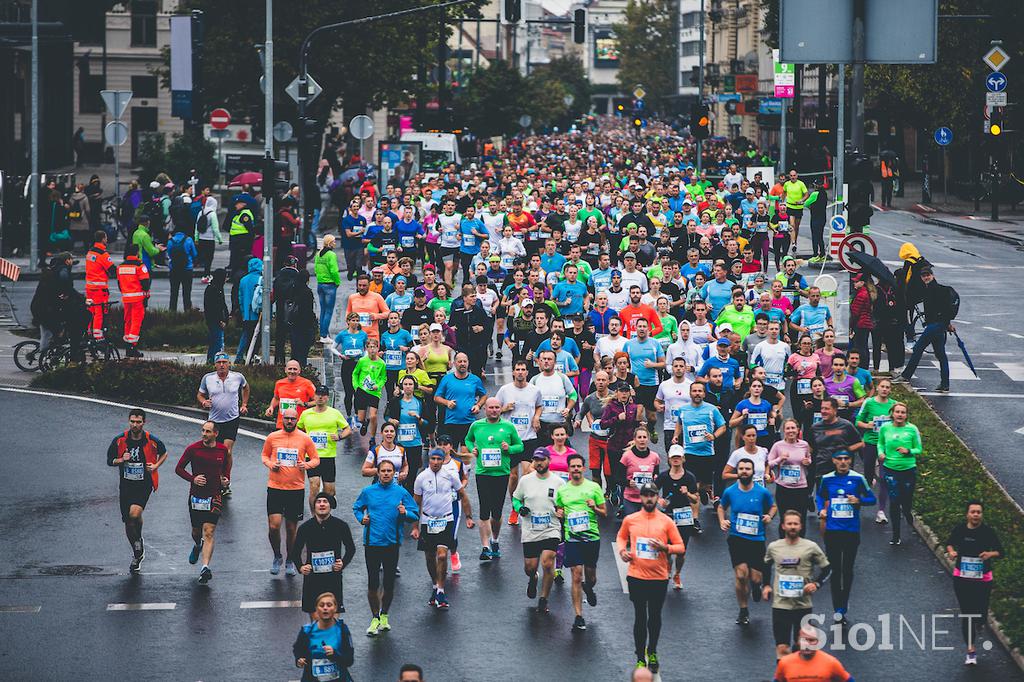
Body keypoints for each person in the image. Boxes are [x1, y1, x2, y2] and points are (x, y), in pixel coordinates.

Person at [616, 482, 685, 673]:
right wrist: (622, 551)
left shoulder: (666, 522)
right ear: (641, 497)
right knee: (640, 616)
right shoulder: (631, 519)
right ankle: (640, 657)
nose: (648, 498)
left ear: (656, 497)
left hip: (658, 577)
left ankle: (652, 650)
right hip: (636, 576)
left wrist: (666, 548)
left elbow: (680, 547)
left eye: (652, 495)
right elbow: (621, 537)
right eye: (645, 495)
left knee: (654, 617)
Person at [352, 459, 420, 637]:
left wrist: (405, 513)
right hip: (372, 542)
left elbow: (415, 513)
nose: (386, 473)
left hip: (391, 543)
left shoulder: (400, 492)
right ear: (378, 472)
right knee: (373, 582)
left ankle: (384, 615)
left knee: (389, 583)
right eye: (383, 471)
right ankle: (374, 617)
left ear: (394, 473)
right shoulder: (368, 491)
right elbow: (357, 507)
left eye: (389, 471)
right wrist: (361, 519)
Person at [815, 450, 875, 625]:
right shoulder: (827, 479)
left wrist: (859, 501)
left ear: (850, 461)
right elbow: (820, 495)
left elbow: (872, 499)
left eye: (846, 459)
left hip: (851, 530)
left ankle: (844, 603)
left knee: (847, 570)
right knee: (835, 569)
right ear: (834, 461)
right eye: (839, 459)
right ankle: (837, 608)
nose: (842, 462)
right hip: (832, 530)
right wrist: (822, 509)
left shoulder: (858, 478)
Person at [762, 511, 831, 660]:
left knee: (801, 646)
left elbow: (827, 569)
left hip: (803, 605)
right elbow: (766, 565)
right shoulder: (775, 547)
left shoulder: (811, 547)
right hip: (781, 605)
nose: (792, 527)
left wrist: (816, 584)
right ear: (783, 526)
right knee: (782, 647)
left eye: (795, 524)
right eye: (789, 524)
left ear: (801, 526)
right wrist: (766, 585)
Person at [106, 408, 168, 573]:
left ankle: (138, 540)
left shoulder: (150, 440)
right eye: (132, 421)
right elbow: (109, 460)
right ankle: (137, 550)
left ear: (144, 423)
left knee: (134, 514)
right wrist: (121, 459)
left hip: (143, 484)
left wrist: (155, 466)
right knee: (128, 521)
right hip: (126, 485)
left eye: (138, 422)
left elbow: (164, 452)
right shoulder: (120, 440)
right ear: (129, 421)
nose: (135, 425)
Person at [717, 457, 777, 626]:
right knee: (741, 574)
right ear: (738, 471)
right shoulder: (731, 492)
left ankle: (756, 586)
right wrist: (722, 521)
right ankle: (743, 609)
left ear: (752, 472)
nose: (744, 471)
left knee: (756, 578)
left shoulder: (762, 492)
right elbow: (721, 506)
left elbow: (773, 507)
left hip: (757, 539)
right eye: (741, 468)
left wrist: (769, 516)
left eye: (747, 469)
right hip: (736, 538)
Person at [412, 448, 474, 609]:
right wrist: (415, 527)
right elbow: (415, 503)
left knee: (441, 555)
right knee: (430, 557)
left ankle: (441, 589)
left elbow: (463, 495)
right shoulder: (421, 478)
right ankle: (434, 585)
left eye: (439, 459)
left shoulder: (451, 475)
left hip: (446, 520)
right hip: (427, 521)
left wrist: (468, 517)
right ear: (429, 460)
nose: (436, 462)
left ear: (442, 460)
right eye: (433, 459)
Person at [262, 408, 320, 576]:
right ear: (282, 419)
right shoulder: (273, 437)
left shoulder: (304, 438)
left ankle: (290, 560)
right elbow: (264, 456)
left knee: (291, 529)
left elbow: (316, 459)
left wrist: (306, 465)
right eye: (286, 418)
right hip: (275, 487)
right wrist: (271, 464)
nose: (289, 421)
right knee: (274, 526)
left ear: (296, 420)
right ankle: (277, 555)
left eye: (292, 419)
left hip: (295, 489)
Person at [945, 500, 1004, 666]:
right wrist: (952, 552)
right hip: (962, 578)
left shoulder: (987, 532)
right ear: (967, 514)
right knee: (967, 613)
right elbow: (949, 543)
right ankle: (971, 650)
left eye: (978, 512)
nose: (976, 515)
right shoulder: (960, 530)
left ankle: (981, 621)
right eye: (973, 512)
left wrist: (990, 554)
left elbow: (1001, 552)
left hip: (983, 579)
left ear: (982, 515)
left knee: (981, 612)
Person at [465, 397, 525, 560]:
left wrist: (509, 448)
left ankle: (495, 540)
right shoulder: (477, 425)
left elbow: (520, 446)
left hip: (501, 473)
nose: (494, 410)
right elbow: (468, 439)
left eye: (497, 407)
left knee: (497, 513)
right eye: (491, 407)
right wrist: (473, 449)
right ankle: (485, 547)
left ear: (501, 409)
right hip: (483, 473)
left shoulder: (508, 426)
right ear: (485, 409)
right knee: (484, 511)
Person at [554, 453, 608, 632]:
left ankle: (589, 588)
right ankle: (578, 615)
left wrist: (595, 507)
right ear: (568, 469)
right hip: (573, 538)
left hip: (591, 537)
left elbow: (604, 513)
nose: (576, 469)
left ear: (583, 468)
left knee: (590, 576)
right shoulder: (562, 490)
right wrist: (559, 514)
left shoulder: (593, 487)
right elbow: (559, 509)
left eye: (579, 466)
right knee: (576, 575)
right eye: (573, 466)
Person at [175, 421, 231, 584]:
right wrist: (193, 479)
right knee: (196, 532)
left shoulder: (222, 449)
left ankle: (205, 567)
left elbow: (226, 466)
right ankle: (197, 545)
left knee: (209, 531)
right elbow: (178, 468)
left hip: (214, 496)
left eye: (207, 431)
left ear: (216, 434)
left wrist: (225, 479)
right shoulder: (193, 449)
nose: (204, 434)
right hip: (196, 497)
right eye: (203, 431)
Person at [512, 448, 565, 613]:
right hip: (531, 529)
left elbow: (564, 504)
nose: (539, 463)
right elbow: (515, 498)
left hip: (551, 528)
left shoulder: (558, 482)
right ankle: (533, 578)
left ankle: (544, 599)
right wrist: (520, 508)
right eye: (536, 460)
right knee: (530, 567)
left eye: (542, 460)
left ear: (549, 461)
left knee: (547, 563)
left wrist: (562, 511)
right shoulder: (525, 480)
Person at [292, 493, 357, 617]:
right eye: (318, 501)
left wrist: (343, 563)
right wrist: (301, 567)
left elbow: (351, 549)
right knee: (316, 623)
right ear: (314, 506)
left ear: (330, 506)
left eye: (325, 501)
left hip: (333, 578)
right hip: (312, 579)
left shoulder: (340, 526)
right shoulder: (305, 528)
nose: (322, 504)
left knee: (333, 621)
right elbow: (295, 551)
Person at [496, 361, 544, 525]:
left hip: (529, 437)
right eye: (518, 369)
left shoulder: (534, 390)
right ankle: (515, 507)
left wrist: (536, 417)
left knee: (528, 473)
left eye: (523, 370)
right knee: (513, 476)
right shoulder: (505, 390)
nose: (521, 372)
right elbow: (493, 409)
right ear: (513, 373)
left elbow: (539, 406)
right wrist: (504, 409)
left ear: (527, 372)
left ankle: (527, 504)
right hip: (510, 439)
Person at [897, 265, 956, 392]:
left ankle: (906, 376)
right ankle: (945, 384)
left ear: (932, 275)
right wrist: (948, 324)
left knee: (918, 348)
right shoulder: (928, 289)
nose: (926, 277)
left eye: (928, 275)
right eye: (924, 276)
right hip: (937, 326)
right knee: (941, 355)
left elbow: (944, 309)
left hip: (935, 325)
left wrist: (946, 323)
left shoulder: (937, 289)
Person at [197, 353, 250, 495]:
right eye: (219, 362)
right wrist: (203, 401)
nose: (222, 365)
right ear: (215, 364)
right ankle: (216, 479)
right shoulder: (208, 378)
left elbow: (246, 388)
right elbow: (200, 394)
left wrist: (244, 404)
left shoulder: (237, 377)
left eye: (224, 362)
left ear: (229, 364)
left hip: (232, 419)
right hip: (214, 421)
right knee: (215, 452)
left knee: (226, 451)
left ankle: (225, 480)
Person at [297, 386, 352, 511]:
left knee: (329, 491)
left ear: (327, 398)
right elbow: (298, 429)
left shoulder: (334, 413)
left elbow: (348, 429)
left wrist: (339, 436)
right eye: (318, 395)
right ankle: (314, 517)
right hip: (311, 456)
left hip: (328, 456)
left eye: (323, 395)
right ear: (314, 396)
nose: (320, 397)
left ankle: (328, 509)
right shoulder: (306, 414)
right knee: (314, 486)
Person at [877, 401, 922, 545]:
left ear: (906, 415)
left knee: (906, 502)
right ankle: (896, 535)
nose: (900, 415)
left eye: (903, 412)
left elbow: (919, 449)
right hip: (890, 469)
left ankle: (908, 515)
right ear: (892, 414)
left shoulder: (912, 429)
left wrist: (908, 451)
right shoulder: (885, 428)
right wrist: (881, 453)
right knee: (894, 502)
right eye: (897, 412)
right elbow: (880, 443)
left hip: (908, 470)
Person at [291, 592, 355, 682]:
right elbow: (298, 649)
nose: (325, 608)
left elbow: (349, 660)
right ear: (316, 609)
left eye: (329, 605)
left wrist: (335, 654)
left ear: (335, 608)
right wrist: (299, 660)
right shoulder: (306, 631)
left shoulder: (342, 630)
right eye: (321, 605)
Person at [433, 352, 488, 454]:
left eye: (465, 361)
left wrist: (478, 405)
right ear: (454, 363)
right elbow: (436, 397)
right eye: (460, 361)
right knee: (451, 454)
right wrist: (447, 402)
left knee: (465, 454)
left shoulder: (475, 379)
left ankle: (466, 470)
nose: (462, 364)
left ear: (468, 363)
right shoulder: (447, 379)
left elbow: (484, 395)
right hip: (451, 422)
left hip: (468, 421)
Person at [767, 419, 813, 537]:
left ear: (798, 430)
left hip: (801, 488)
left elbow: (809, 458)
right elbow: (769, 463)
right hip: (784, 488)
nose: (791, 431)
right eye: (788, 428)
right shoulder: (778, 446)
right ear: (784, 431)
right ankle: (784, 545)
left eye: (793, 428)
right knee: (784, 518)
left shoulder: (804, 445)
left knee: (800, 519)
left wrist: (807, 462)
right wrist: (780, 459)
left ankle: (799, 547)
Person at [772, 626, 853, 682]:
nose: (807, 644)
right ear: (797, 642)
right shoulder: (785, 663)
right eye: (804, 640)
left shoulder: (831, 663)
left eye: (811, 640)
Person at [117, 243, 151, 358]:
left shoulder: (121, 266)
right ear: (137, 252)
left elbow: (119, 284)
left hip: (126, 298)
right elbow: (145, 283)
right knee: (136, 322)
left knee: (128, 321)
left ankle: (128, 345)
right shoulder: (140, 266)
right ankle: (132, 346)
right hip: (137, 299)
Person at [352, 338, 387, 448]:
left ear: (377, 348)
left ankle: (372, 438)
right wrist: (356, 387)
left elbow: (383, 378)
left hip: (374, 392)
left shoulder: (381, 363)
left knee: (373, 416)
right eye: (370, 347)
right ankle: (364, 423)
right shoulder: (362, 361)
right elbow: (355, 374)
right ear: (366, 349)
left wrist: (379, 385)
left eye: (374, 347)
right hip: (362, 391)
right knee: (361, 418)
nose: (372, 349)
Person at [84, 231, 116, 340]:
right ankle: (98, 338)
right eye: (106, 238)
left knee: (90, 311)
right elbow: (112, 270)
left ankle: (88, 334)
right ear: (103, 239)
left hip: (89, 288)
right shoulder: (103, 254)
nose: (106, 240)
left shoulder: (90, 253)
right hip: (99, 289)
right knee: (99, 313)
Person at [235, 257, 264, 363]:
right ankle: (253, 356)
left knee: (247, 335)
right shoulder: (261, 279)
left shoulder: (243, 280)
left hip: (247, 314)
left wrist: (243, 313)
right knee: (257, 337)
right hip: (258, 314)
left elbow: (240, 298)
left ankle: (243, 356)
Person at [315, 233, 342, 343]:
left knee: (323, 310)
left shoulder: (319, 254)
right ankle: (324, 335)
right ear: (330, 243)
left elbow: (316, 269)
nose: (335, 243)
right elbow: (334, 270)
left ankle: (322, 334)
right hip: (330, 285)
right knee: (329, 311)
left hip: (320, 284)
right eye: (334, 241)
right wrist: (337, 282)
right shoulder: (331, 255)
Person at [167, 226, 198, 311]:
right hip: (187, 269)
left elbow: (169, 254)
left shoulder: (170, 241)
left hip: (174, 269)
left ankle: (172, 313)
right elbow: (194, 254)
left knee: (173, 293)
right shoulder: (189, 240)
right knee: (187, 293)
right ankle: (187, 312)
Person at [203, 269, 230, 364]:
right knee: (217, 343)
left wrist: (226, 318)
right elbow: (214, 308)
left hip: (215, 320)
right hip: (214, 321)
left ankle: (210, 361)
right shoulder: (213, 289)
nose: (226, 279)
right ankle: (214, 362)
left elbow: (222, 305)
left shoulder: (217, 288)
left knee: (214, 342)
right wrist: (221, 320)